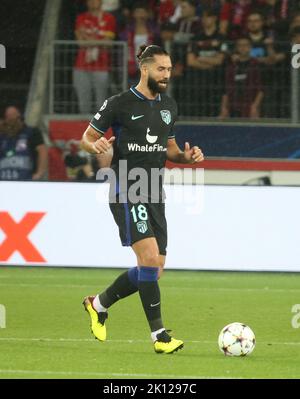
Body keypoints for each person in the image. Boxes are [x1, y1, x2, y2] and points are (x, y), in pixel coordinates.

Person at [80, 44, 204, 354]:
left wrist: (187, 158)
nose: (167, 75)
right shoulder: (119, 104)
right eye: (161, 69)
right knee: (148, 259)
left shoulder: (169, 107)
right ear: (144, 68)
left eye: (170, 69)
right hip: (126, 187)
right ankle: (159, 337)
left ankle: (98, 303)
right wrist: (93, 148)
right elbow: (88, 137)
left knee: (155, 267)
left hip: (154, 189)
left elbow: (170, 149)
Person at [73, 0, 117, 114]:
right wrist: (99, 40)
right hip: (81, 66)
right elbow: (80, 43)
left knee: (101, 103)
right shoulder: (81, 18)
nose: (93, 2)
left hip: (101, 66)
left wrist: (88, 39)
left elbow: (108, 43)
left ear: (101, 2)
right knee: (84, 104)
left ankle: (99, 130)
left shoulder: (109, 18)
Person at [219, 37, 264, 118]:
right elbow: (225, 89)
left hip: (250, 105)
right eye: (240, 45)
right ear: (236, 48)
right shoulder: (231, 66)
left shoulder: (256, 64)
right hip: (233, 106)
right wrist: (224, 107)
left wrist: (255, 107)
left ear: (250, 47)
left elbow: (261, 90)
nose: (243, 48)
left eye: (246, 45)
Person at [0, 106, 47, 180]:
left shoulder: (31, 132)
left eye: (14, 119)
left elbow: (42, 151)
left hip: (25, 181)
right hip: (4, 182)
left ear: (20, 118)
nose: (12, 124)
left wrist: (40, 173)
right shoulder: (2, 136)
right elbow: (9, 153)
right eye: (9, 120)